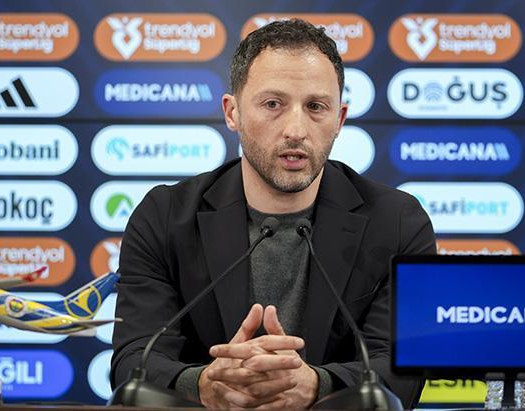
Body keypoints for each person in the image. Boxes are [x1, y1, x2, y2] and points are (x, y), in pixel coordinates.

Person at [111, 18, 436, 409]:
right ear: (232, 113)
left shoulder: (397, 222)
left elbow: (404, 371)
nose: (295, 129)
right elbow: (133, 362)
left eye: (315, 107)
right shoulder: (163, 217)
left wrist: (316, 385)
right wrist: (206, 384)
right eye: (272, 104)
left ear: (339, 119)